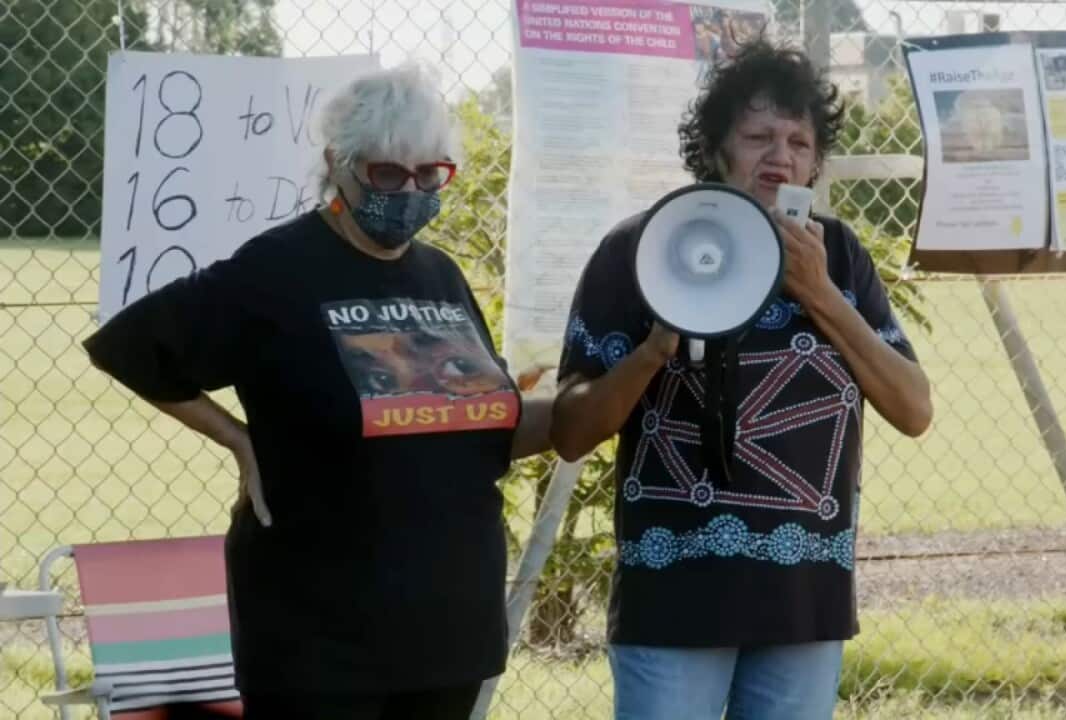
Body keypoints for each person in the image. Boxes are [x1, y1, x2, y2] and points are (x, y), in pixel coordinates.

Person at [82, 63, 551, 719]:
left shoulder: (441, 276)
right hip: (319, 642)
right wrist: (239, 439)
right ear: (340, 163)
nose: (409, 191)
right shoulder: (278, 269)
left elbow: (482, 417)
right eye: (387, 174)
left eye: (429, 174)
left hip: (448, 633)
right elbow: (130, 347)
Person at [551, 39, 932, 720]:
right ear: (717, 147)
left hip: (803, 601)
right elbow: (572, 431)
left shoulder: (838, 256)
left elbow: (913, 408)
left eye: (799, 140)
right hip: (673, 604)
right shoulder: (639, 251)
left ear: (817, 162)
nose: (780, 155)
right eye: (758, 135)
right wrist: (653, 349)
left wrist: (820, 293)